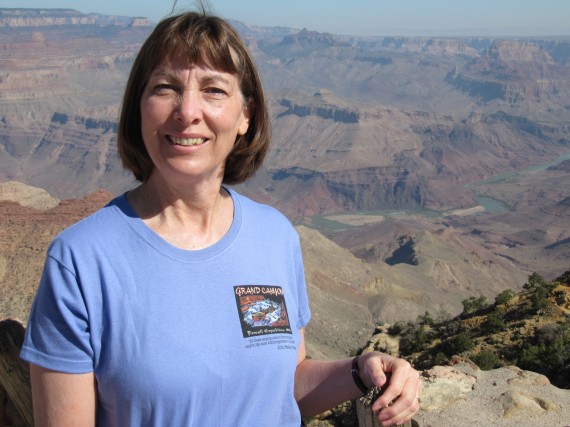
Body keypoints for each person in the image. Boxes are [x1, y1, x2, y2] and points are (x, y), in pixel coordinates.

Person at [20, 7, 421, 427]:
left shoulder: (274, 237)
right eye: (164, 87)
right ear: (138, 108)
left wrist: (364, 369)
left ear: (245, 115)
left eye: (213, 90)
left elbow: (281, 390)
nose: (187, 111)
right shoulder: (82, 261)